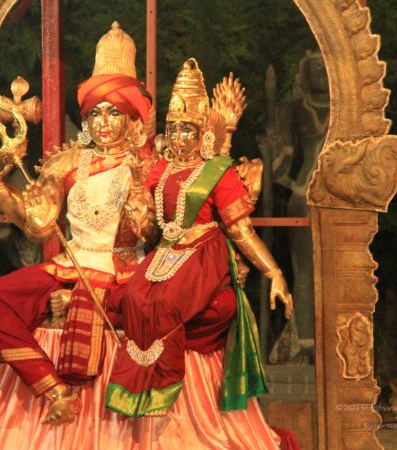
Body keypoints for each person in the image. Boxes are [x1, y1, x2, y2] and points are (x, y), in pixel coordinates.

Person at [0, 21, 154, 425]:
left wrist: (138, 186)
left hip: (122, 274)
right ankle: (54, 389)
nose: (102, 122)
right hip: (68, 266)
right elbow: (38, 227)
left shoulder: (150, 166)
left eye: (114, 113)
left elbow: (149, 232)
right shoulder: (67, 163)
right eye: (95, 113)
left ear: (133, 119)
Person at [104, 58, 295, 448]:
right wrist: (136, 207)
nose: (178, 137)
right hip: (166, 251)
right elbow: (152, 230)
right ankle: (136, 397)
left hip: (204, 253)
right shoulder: (159, 169)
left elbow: (241, 230)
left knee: (168, 304)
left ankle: (164, 388)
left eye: (187, 130)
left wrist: (274, 272)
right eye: (173, 129)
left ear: (202, 133)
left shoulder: (218, 171)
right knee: (136, 296)